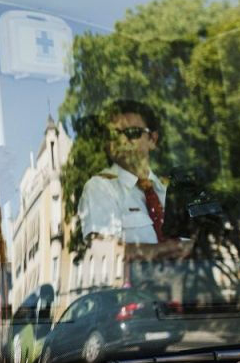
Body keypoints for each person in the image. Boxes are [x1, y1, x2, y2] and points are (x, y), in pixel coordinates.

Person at [78, 99, 189, 261]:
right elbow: (103, 254)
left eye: (132, 133)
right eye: (114, 134)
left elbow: (193, 246)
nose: (122, 141)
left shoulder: (169, 191)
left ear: (152, 139)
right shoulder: (100, 188)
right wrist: (168, 249)